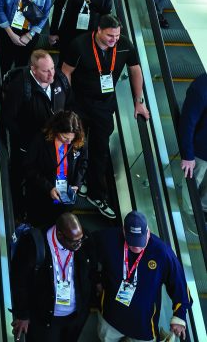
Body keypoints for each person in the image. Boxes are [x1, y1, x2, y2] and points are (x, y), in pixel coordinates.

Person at [61, 15, 150, 219]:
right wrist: (66, 102)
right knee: (76, 145)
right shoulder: (79, 45)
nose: (114, 40)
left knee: (100, 149)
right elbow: (66, 72)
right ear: (98, 30)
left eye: (117, 35)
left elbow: (135, 70)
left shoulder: (124, 44)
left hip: (104, 106)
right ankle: (76, 182)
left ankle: (96, 193)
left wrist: (139, 101)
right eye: (110, 35)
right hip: (80, 104)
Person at [93, 210, 191, 341]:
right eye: (132, 242)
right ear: (123, 231)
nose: (137, 248)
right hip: (110, 317)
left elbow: (179, 283)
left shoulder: (163, 252)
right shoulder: (107, 239)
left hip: (143, 325)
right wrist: (96, 279)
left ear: (148, 231)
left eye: (140, 241)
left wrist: (179, 316)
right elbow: (86, 254)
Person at [1, 49, 73, 204]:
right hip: (28, 144)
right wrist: (24, 140)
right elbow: (7, 118)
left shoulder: (59, 79)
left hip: (52, 143)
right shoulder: (20, 87)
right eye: (46, 70)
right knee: (20, 174)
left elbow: (69, 105)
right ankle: (19, 207)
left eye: (52, 68)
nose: (51, 74)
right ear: (33, 69)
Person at [11, 213, 96, 342]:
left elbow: (91, 268)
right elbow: (19, 281)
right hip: (44, 318)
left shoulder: (84, 238)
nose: (79, 244)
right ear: (60, 235)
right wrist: (23, 315)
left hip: (75, 316)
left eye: (81, 239)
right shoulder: (33, 243)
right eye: (74, 241)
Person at [24, 110, 88, 229]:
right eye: (65, 138)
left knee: (58, 223)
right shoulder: (41, 140)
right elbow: (30, 168)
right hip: (42, 194)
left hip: (65, 195)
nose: (68, 142)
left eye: (71, 139)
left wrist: (77, 184)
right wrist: (48, 187)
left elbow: (83, 163)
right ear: (56, 130)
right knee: (39, 224)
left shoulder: (78, 141)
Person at [179, 71, 207, 216]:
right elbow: (187, 122)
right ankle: (191, 215)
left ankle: (203, 209)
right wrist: (188, 155)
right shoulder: (202, 87)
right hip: (200, 153)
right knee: (193, 183)